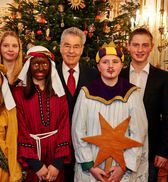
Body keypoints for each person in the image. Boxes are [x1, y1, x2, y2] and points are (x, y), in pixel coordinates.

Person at [72, 42, 148, 181]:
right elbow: (78, 132)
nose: (110, 66)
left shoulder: (132, 94)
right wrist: (90, 166)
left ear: (122, 65)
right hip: (92, 169)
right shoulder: (86, 93)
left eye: (115, 61)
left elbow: (139, 134)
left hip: (121, 169)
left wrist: (123, 167)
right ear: (98, 66)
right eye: (105, 62)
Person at [120, 27, 168, 182]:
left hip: (150, 150)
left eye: (145, 45)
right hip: (119, 145)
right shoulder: (118, 75)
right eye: (136, 45)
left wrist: (163, 151)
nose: (140, 49)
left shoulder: (163, 78)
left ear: (151, 47)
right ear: (128, 46)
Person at [12, 46, 71, 182]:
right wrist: (36, 165)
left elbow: (64, 126)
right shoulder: (19, 94)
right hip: (32, 159)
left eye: (44, 63)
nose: (40, 68)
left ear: (50, 66)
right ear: (28, 66)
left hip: (56, 157)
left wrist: (57, 163)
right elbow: (20, 129)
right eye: (35, 64)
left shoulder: (59, 93)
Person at [56, 26, 99, 181]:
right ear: (60, 48)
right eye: (67, 46)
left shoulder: (94, 75)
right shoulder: (50, 74)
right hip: (57, 148)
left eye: (76, 46)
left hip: (85, 145)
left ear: (82, 49)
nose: (71, 51)